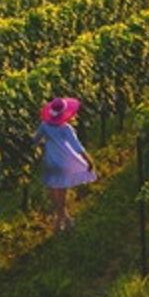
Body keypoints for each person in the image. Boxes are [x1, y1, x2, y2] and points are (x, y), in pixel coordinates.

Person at [33, 97, 96, 232]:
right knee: (61, 196)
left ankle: (64, 222)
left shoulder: (44, 125)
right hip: (64, 163)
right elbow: (77, 146)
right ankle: (62, 222)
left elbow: (35, 140)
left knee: (54, 196)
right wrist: (89, 160)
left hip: (50, 163)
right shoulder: (66, 128)